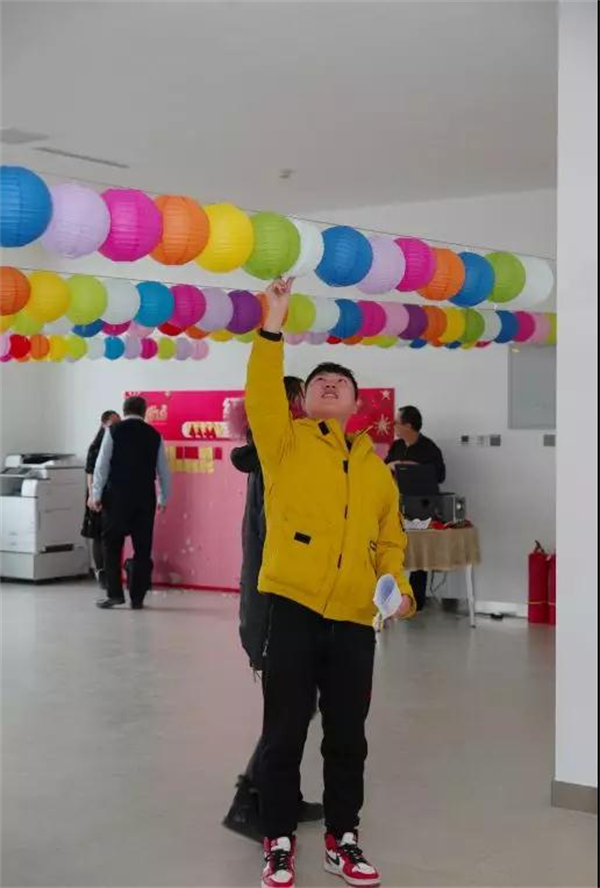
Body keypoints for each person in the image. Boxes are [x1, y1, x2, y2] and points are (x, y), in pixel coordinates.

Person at [246, 279, 416, 888]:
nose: (328, 384)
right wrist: (272, 326)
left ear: (356, 404)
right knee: (283, 732)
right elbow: (262, 394)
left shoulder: (377, 472)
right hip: (292, 607)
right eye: (319, 380)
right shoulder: (284, 443)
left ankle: (343, 837)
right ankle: (279, 838)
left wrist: (398, 589)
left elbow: (390, 541)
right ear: (304, 399)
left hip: (354, 618)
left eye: (340, 382)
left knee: (348, 735)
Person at [223, 379, 323, 843]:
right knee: (289, 711)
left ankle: (283, 795)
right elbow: (276, 537)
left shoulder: (272, 452)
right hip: (277, 603)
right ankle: (250, 802)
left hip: (281, 599)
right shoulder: (274, 457)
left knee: (296, 708)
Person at [90, 395, 171, 610]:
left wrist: (96, 494)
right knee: (142, 548)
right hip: (144, 497)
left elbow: (102, 465)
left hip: (116, 496)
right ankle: (137, 597)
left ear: (124, 410)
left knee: (112, 545)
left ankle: (115, 594)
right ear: (144, 412)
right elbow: (163, 470)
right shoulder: (154, 435)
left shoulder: (113, 431)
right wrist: (163, 497)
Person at [385, 406, 446, 611]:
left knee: (419, 553)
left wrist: (413, 467)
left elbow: (440, 475)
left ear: (408, 425)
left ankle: (416, 599)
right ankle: (391, 595)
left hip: (422, 506)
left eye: (396, 422)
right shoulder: (396, 446)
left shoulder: (429, 448)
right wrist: (392, 465)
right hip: (397, 503)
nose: (393, 426)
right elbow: (383, 470)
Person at [81, 410, 120, 589]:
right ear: (104, 424)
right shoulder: (96, 446)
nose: (116, 426)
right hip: (97, 492)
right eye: (113, 423)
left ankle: (111, 573)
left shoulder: (118, 443)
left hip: (113, 492)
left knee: (110, 533)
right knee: (98, 533)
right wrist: (92, 495)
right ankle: (101, 571)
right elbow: (90, 472)